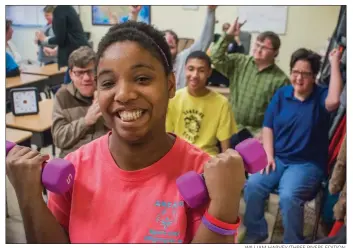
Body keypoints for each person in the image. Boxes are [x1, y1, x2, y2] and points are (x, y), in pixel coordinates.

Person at [6, 21, 245, 244]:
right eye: (108, 83)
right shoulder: (74, 169)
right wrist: (30, 199)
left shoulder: (205, 175)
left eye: (142, 78)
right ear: (97, 93)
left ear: (171, 85)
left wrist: (224, 206)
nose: (123, 95)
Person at [242, 48, 343, 244]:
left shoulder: (321, 96)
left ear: (314, 77)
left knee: (288, 196)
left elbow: (334, 101)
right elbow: (268, 127)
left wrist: (335, 63)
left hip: (306, 164)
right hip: (278, 158)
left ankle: (293, 241)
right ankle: (256, 231)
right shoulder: (282, 94)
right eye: (295, 72)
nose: (298, 78)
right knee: (253, 185)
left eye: (305, 74)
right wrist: (268, 156)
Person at [210, 17, 289, 145]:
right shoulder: (240, 62)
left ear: (275, 52)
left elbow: (283, 113)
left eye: (264, 48)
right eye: (257, 45)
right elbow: (215, 57)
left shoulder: (281, 80)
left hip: (257, 136)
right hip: (231, 128)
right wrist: (229, 35)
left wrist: (266, 132)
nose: (258, 50)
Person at [166, 51, 237, 156]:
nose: (195, 75)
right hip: (179, 157)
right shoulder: (173, 99)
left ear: (209, 72)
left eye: (201, 70)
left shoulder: (221, 103)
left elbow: (225, 147)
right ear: (185, 69)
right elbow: (166, 138)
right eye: (191, 69)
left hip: (207, 160)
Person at [129, 6, 217, 90]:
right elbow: (130, 43)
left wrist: (211, 11)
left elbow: (205, 41)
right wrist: (134, 14)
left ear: (177, 48)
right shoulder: (151, 60)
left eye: (171, 47)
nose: (167, 51)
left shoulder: (184, 58)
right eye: (164, 46)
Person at [51, 46, 109, 158]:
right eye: (79, 73)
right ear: (71, 74)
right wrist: (86, 121)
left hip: (104, 159)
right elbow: (59, 139)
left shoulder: (108, 91)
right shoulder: (62, 96)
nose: (86, 78)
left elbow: (123, 133)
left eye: (90, 71)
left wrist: (104, 108)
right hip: (74, 160)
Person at [36, 5, 89, 84]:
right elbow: (66, 38)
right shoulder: (67, 10)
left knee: (69, 86)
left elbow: (61, 38)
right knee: (68, 86)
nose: (46, 17)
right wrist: (54, 51)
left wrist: (44, 39)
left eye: (48, 15)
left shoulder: (61, 11)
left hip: (77, 58)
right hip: (76, 57)